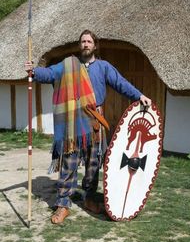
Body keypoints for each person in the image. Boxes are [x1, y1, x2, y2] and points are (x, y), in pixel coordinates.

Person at [25, 29, 151, 224]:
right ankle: (63, 204)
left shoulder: (103, 67)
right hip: (73, 120)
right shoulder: (68, 65)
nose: (85, 44)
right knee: (69, 161)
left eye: (89, 41)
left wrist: (139, 95)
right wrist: (34, 71)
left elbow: (121, 83)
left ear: (95, 45)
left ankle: (89, 199)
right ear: (80, 45)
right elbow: (49, 73)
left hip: (94, 120)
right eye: (83, 41)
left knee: (93, 163)